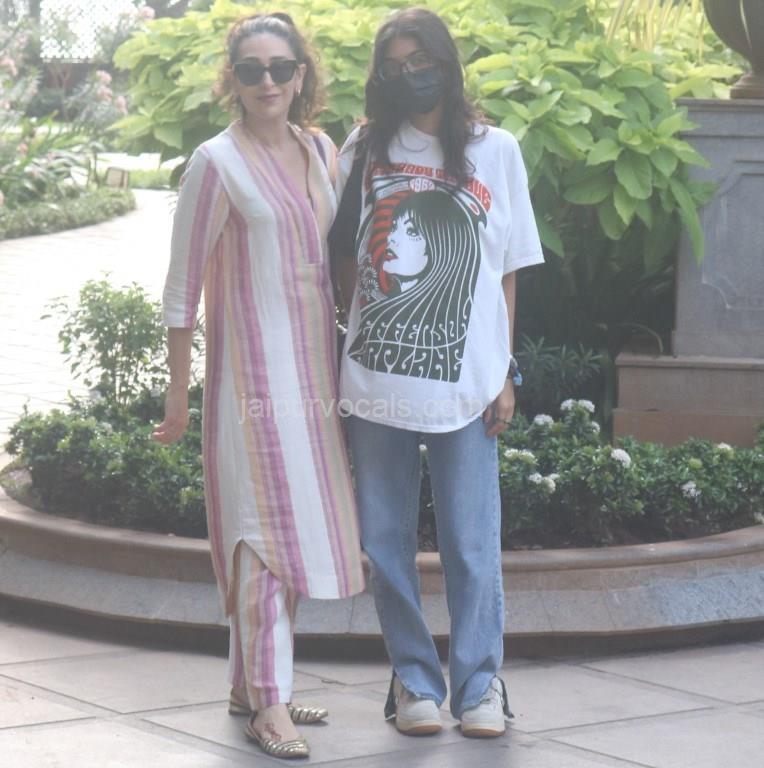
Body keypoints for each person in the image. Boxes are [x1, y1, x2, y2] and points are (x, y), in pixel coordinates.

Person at [152, 12, 365, 760]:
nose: (267, 81)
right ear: (234, 80)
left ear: (301, 75)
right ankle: (269, 705)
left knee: (296, 526)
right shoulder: (216, 162)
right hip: (249, 379)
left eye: (280, 67)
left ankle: (253, 687)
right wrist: (179, 395)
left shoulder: (321, 150)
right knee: (261, 531)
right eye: (252, 70)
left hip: (313, 374)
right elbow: (181, 286)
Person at [335, 7, 544, 738]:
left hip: (468, 384)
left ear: (447, 65)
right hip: (376, 384)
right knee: (385, 542)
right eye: (393, 66)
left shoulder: (496, 150)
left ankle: (481, 684)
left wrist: (504, 371)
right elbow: (340, 255)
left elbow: (507, 270)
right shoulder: (363, 148)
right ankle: (414, 680)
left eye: (420, 61)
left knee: (470, 542)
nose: (408, 76)